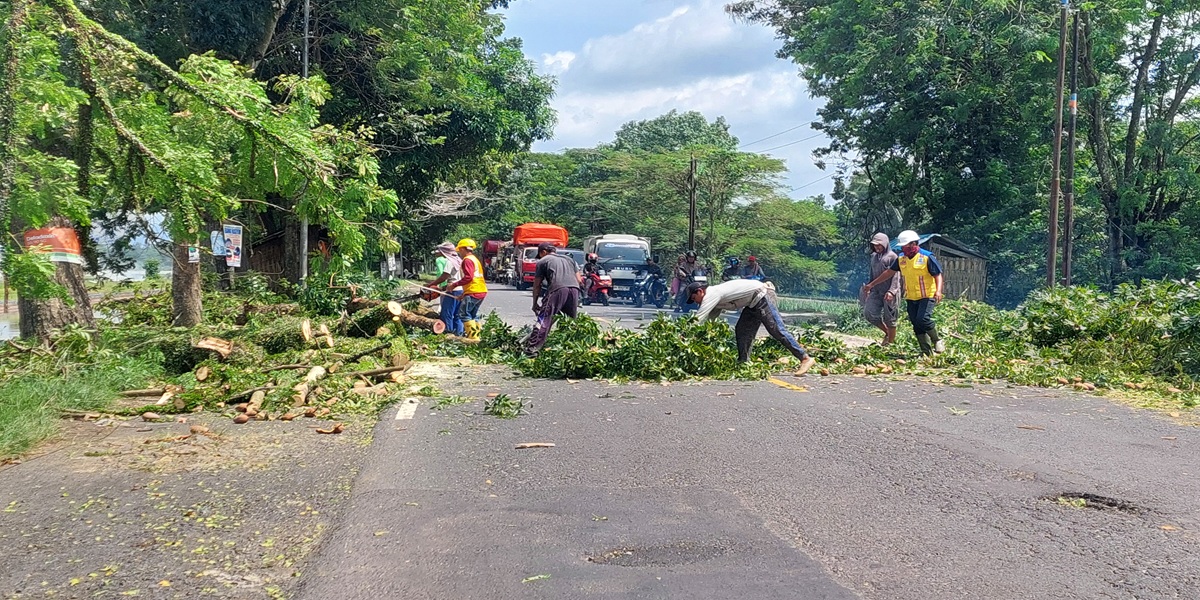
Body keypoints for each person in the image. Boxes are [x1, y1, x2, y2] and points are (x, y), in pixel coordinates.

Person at [686, 280, 817, 376]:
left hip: (762, 296)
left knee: (776, 329)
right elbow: (710, 321)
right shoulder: (713, 298)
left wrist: (685, 335)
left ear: (700, 291)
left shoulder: (711, 294)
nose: (696, 302)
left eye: (694, 298)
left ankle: (805, 358)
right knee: (742, 330)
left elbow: (699, 318)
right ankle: (744, 362)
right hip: (752, 303)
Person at [863, 229, 945, 356]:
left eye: (905, 246)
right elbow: (889, 273)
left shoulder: (927, 257)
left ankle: (937, 340)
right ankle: (926, 352)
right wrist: (871, 284)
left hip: (927, 295)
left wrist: (938, 291)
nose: (904, 249)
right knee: (916, 323)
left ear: (913, 244)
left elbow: (938, 275)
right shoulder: (901, 258)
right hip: (912, 296)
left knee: (923, 319)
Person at [524, 243, 582, 357]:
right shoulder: (569, 259)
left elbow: (537, 285)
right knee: (570, 321)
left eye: (540, 255)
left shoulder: (543, 261)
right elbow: (579, 279)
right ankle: (572, 349)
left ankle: (532, 349)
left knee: (544, 319)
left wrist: (535, 303)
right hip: (574, 289)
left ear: (543, 252)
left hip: (557, 289)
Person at [444, 238, 489, 339]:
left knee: (464, 314)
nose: (459, 252)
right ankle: (476, 337)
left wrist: (454, 285)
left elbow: (469, 277)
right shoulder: (474, 259)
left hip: (474, 291)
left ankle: (473, 338)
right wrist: (464, 295)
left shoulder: (467, 260)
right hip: (479, 290)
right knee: (472, 315)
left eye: (460, 250)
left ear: (464, 249)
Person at [861, 233, 900, 346]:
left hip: (890, 292)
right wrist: (869, 287)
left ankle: (890, 344)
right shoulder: (873, 256)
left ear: (885, 244)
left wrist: (892, 291)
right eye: (875, 245)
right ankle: (887, 333)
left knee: (890, 319)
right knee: (869, 313)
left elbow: (896, 276)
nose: (877, 247)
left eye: (879, 245)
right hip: (876, 291)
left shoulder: (892, 257)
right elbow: (872, 274)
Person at [428, 241, 463, 336]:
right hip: (460, 290)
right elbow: (455, 278)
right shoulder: (458, 260)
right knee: (457, 315)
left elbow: (445, 276)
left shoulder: (450, 261)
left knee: (446, 314)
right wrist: (441, 288)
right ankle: (459, 336)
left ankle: (448, 335)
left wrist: (432, 284)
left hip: (453, 291)